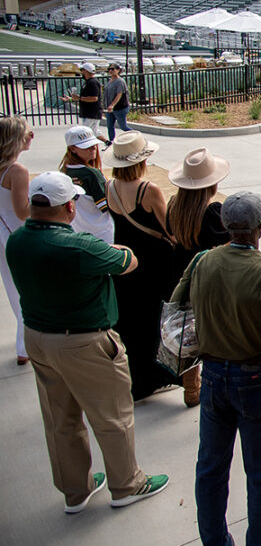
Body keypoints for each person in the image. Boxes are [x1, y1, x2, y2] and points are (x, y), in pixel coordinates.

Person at [7, 172, 169, 513]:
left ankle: (75, 490)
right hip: (84, 341)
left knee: (60, 419)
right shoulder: (78, 246)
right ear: (68, 206)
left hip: (39, 337)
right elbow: (127, 260)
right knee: (112, 416)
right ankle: (127, 484)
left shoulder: (18, 240)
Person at [178, 191, 261, 546]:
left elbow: (177, 304)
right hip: (257, 380)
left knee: (210, 468)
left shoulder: (202, 261)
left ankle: (215, 540)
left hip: (213, 376)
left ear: (225, 226)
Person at [105, 131, 178, 400]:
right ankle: (157, 376)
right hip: (153, 262)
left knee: (131, 321)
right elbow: (169, 230)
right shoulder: (148, 190)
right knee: (155, 320)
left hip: (124, 260)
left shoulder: (109, 187)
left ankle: (135, 379)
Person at [166, 147, 232, 407]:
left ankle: (191, 389)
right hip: (209, 281)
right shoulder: (213, 213)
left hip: (181, 276)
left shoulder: (174, 206)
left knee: (188, 335)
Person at [0, 117, 31, 364]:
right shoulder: (16, 171)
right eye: (26, 133)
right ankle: (25, 346)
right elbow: (23, 211)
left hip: (3, 233)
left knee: (14, 290)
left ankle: (24, 344)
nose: (31, 136)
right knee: (29, 291)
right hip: (18, 235)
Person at [60, 125, 114, 244]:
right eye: (86, 146)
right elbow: (106, 207)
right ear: (73, 149)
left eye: (93, 144)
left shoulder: (63, 172)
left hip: (77, 234)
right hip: (101, 233)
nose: (93, 148)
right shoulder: (92, 174)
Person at [62, 62, 106, 143]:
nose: (81, 72)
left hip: (92, 112)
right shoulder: (88, 82)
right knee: (94, 131)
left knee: (86, 133)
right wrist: (71, 99)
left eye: (82, 70)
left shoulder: (93, 83)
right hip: (89, 112)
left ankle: (88, 148)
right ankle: (108, 143)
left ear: (86, 71)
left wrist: (79, 98)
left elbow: (94, 98)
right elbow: (85, 98)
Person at [103, 62, 132, 144]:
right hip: (110, 109)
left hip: (120, 108)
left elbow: (119, 94)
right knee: (110, 126)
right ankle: (111, 143)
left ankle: (137, 136)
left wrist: (112, 105)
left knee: (123, 126)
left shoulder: (120, 81)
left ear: (118, 70)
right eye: (109, 69)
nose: (110, 71)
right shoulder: (110, 81)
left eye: (113, 69)